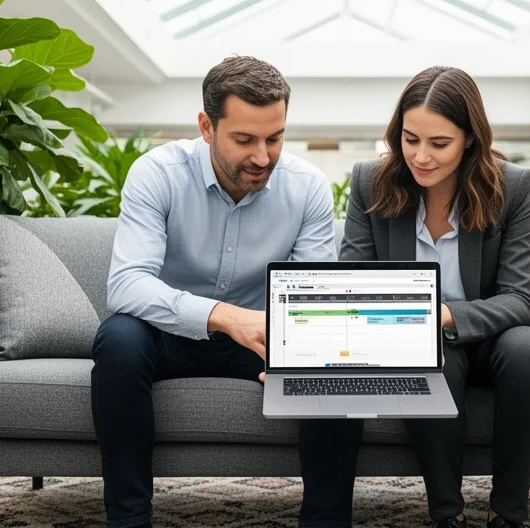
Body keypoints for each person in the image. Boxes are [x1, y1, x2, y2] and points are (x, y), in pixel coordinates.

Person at [297, 66, 530, 528]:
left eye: (439, 144)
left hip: (496, 332)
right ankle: (447, 514)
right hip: (414, 335)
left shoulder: (511, 185)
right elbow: (354, 283)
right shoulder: (370, 181)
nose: (421, 156)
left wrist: (441, 315)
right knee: (428, 355)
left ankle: (508, 512)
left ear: (470, 139)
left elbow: (521, 299)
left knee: (529, 351)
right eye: (410, 139)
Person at [91, 56, 336, 528]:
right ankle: (129, 520)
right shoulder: (158, 173)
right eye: (244, 140)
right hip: (169, 338)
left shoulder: (307, 188)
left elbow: (312, 297)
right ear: (207, 127)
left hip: (259, 341)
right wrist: (223, 315)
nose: (262, 157)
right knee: (119, 337)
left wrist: (296, 348)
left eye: (274, 138)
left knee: (327, 358)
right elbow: (126, 285)